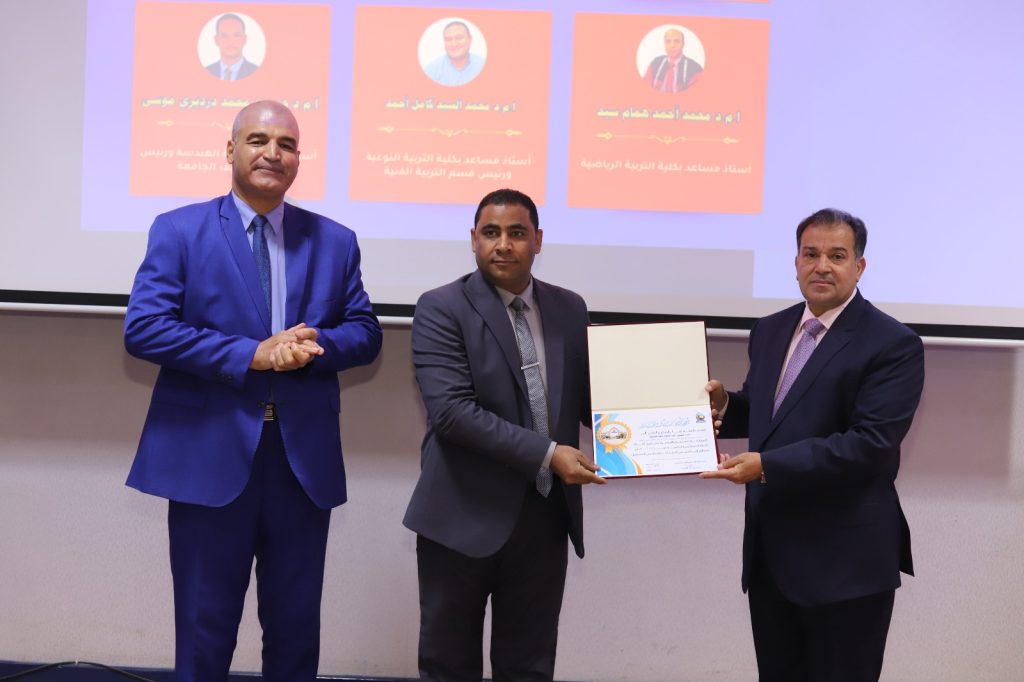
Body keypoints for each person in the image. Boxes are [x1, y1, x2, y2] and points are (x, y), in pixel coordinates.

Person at [124, 100, 382, 681]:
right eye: (259, 140)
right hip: (208, 456)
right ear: (231, 150)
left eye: (286, 144)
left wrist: (315, 345)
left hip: (300, 464)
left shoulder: (335, 240)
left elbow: (365, 333)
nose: (273, 153)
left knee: (295, 635)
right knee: (203, 632)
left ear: (298, 159)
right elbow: (144, 328)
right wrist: (252, 354)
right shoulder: (180, 229)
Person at [700, 208, 925, 681]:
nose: (821, 266)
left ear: (859, 266)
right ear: (796, 262)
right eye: (811, 254)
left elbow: (869, 444)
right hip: (771, 560)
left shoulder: (893, 343)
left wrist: (765, 466)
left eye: (836, 256)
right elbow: (774, 413)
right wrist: (725, 406)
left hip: (845, 566)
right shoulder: (770, 329)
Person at [403, 188, 606, 681]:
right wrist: (549, 454)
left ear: (538, 240)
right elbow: (452, 414)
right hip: (460, 518)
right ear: (473, 239)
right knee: (449, 666)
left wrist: (675, 412)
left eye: (517, 233)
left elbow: (589, 401)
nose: (503, 245)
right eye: (491, 233)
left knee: (529, 666)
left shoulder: (569, 308)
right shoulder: (441, 307)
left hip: (543, 520)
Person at [424, 20, 485, 86]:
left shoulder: (482, 65)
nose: (454, 44)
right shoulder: (431, 71)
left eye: (459, 38)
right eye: (448, 39)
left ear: (470, 39)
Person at [644, 28, 702, 92]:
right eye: (668, 41)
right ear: (664, 44)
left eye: (676, 41)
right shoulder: (655, 63)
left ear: (683, 44)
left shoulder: (695, 69)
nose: (672, 45)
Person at [205, 13, 260, 81]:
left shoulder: (258, 72)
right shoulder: (206, 72)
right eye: (224, 36)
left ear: (244, 39)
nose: (231, 42)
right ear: (216, 40)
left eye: (237, 35)